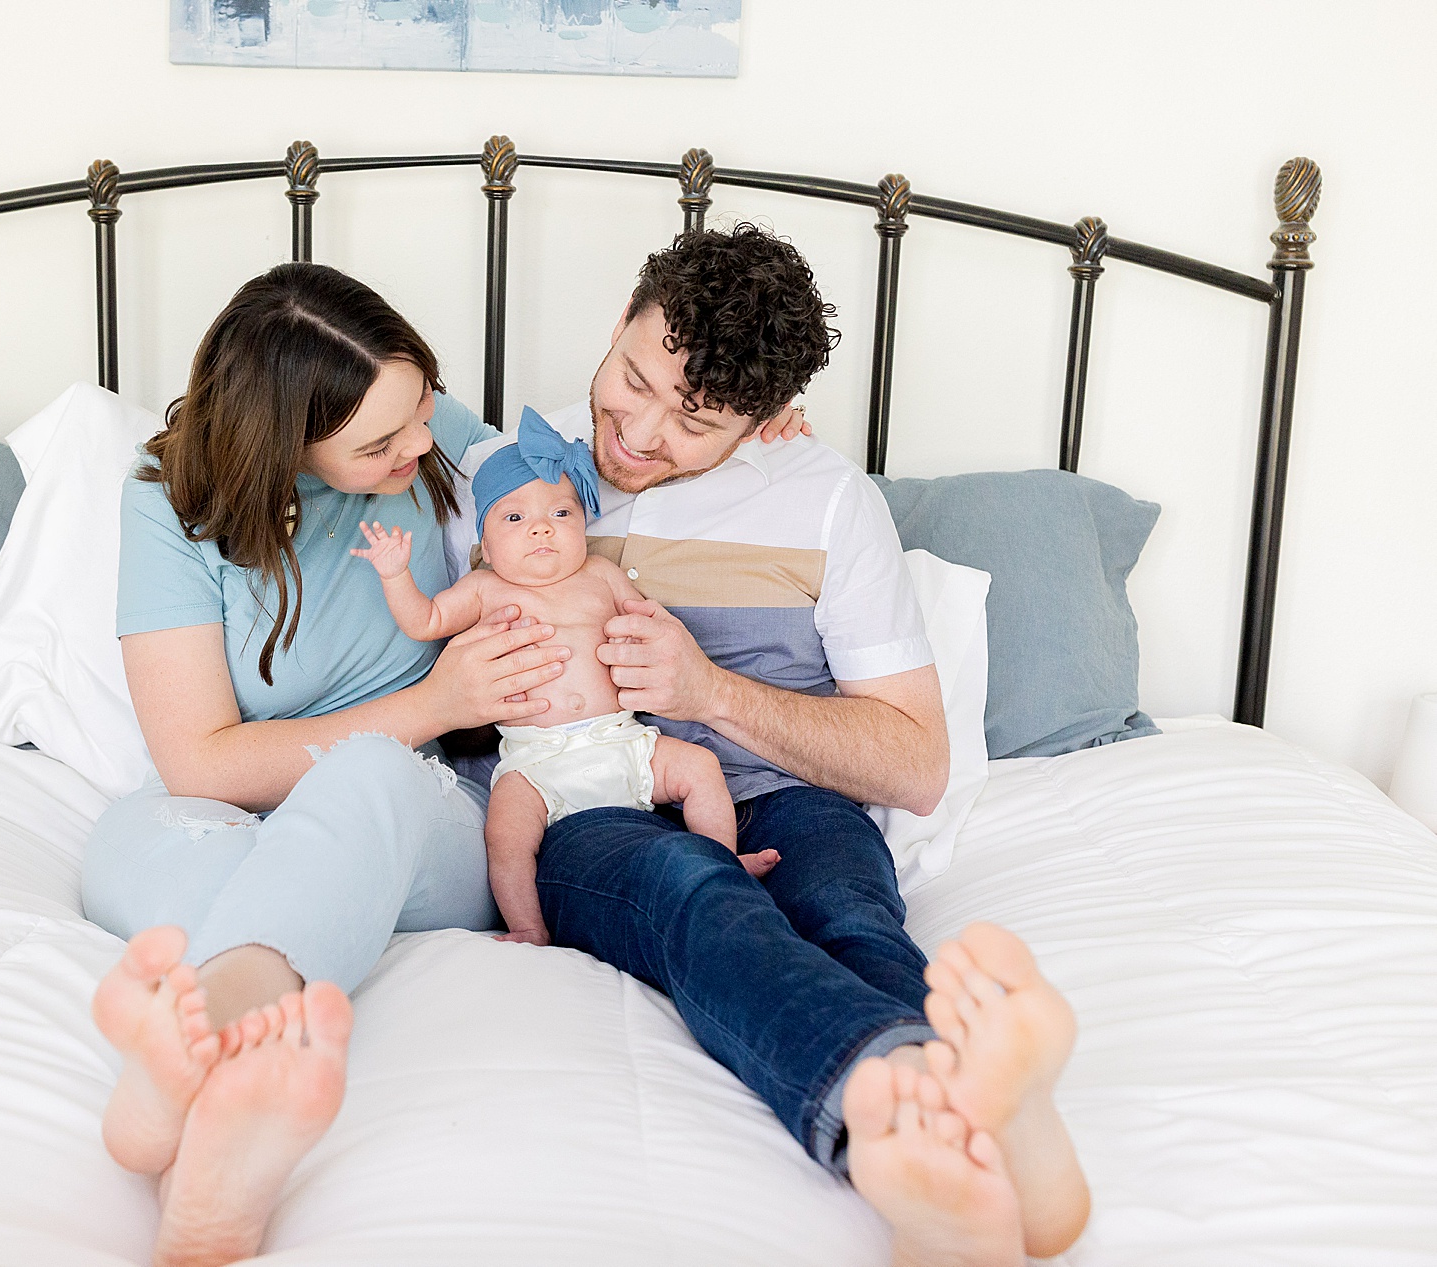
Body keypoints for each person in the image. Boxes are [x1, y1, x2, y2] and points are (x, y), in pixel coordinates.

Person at [78, 258, 809, 1266]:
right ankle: (210, 1117)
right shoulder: (166, 503)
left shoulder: (431, 433)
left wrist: (742, 420)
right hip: (254, 806)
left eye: (424, 406)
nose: (426, 444)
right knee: (124, 837)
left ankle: (214, 1038)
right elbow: (197, 761)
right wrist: (434, 697)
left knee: (367, 773)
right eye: (382, 442)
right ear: (284, 444)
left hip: (423, 812)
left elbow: (580, 471)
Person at [444, 224, 1091, 1263]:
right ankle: (965, 1119)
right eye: (632, 379)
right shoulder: (506, 474)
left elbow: (915, 766)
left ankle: (948, 1160)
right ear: (620, 321)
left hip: (785, 794)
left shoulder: (825, 497)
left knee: (847, 913)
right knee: (686, 883)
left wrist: (712, 692)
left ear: (761, 419)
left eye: (695, 420)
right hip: (592, 807)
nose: (640, 433)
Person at [350, 406, 774, 946]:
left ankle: (722, 858)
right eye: (514, 519)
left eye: (561, 513)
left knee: (700, 767)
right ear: (484, 537)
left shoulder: (602, 575)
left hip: (624, 742)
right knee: (504, 835)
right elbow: (425, 621)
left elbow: (652, 623)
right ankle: (528, 926)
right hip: (537, 761)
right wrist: (394, 574)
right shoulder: (484, 589)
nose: (541, 529)